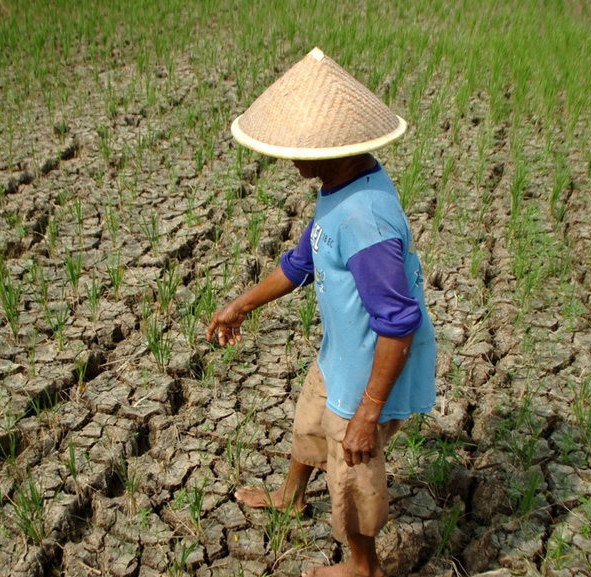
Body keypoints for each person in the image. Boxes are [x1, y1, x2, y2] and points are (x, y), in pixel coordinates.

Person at [207, 48, 436, 577]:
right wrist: (240, 305)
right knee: (310, 419)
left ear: (335, 149)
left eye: (298, 147)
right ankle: (290, 495)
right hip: (343, 353)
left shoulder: (365, 220)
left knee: (352, 466)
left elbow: (399, 323)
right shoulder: (341, 187)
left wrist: (368, 413)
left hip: (371, 369)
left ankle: (364, 566)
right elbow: (300, 262)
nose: (290, 159)